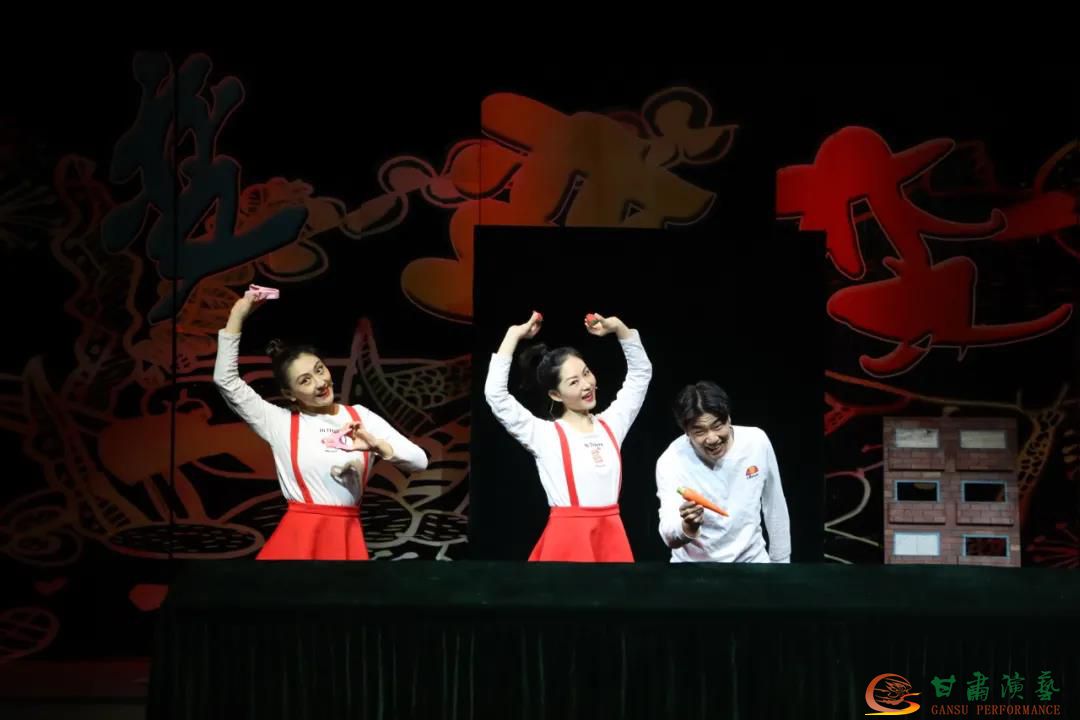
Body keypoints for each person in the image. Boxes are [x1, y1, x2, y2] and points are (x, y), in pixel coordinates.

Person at [213, 290, 428, 559]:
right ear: (290, 393)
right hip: (299, 538)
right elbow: (226, 380)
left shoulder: (361, 417)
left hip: (347, 535)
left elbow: (420, 462)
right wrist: (237, 314)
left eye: (319, 369)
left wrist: (378, 446)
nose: (320, 383)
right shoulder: (279, 423)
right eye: (305, 380)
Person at [484, 310, 652, 561]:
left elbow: (640, 374)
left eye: (586, 373)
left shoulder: (611, 425)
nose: (586, 385)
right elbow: (496, 396)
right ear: (555, 394)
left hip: (611, 536)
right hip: (568, 540)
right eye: (573, 382)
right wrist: (513, 335)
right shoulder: (544, 435)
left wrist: (620, 328)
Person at [655, 381, 791, 563]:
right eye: (700, 431)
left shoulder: (756, 442)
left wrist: (781, 564)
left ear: (728, 418)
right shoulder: (671, 460)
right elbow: (668, 535)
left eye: (718, 426)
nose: (712, 438)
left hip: (752, 562)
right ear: (686, 431)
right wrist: (687, 526)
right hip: (694, 569)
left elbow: (775, 506)